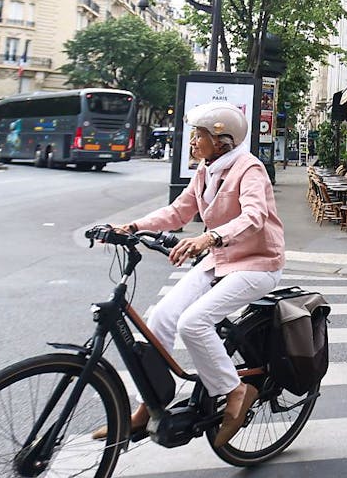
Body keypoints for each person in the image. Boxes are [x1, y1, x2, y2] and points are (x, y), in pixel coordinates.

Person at [92, 102, 285, 447]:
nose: (192, 142)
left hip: (257, 263)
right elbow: (179, 210)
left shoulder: (249, 168)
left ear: (223, 140)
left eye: (199, 135)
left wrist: (208, 238)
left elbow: (255, 216)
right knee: (160, 317)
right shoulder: (205, 170)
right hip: (221, 261)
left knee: (192, 322)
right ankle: (148, 407)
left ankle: (236, 392)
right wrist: (131, 225)